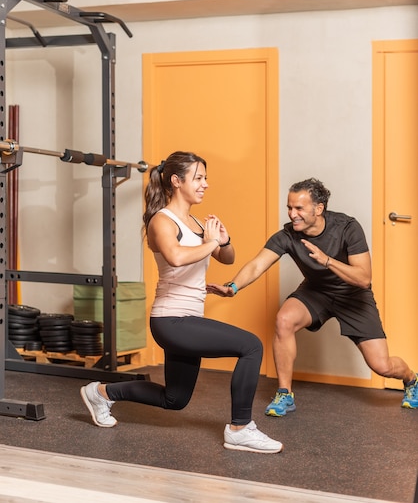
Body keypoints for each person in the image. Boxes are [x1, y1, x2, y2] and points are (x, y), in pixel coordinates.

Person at [80, 151, 282, 453]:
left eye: (205, 178)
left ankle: (100, 393)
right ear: (176, 181)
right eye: (198, 178)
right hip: (171, 321)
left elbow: (227, 259)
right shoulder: (162, 221)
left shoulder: (197, 222)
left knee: (174, 399)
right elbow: (175, 257)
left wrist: (222, 241)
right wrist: (210, 242)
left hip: (185, 319)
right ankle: (240, 428)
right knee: (251, 346)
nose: (205, 184)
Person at [207, 177, 418, 416]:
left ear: (319, 209)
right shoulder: (287, 236)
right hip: (316, 292)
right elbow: (257, 264)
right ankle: (285, 394)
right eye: (289, 207)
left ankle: (412, 379)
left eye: (299, 208)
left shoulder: (348, 227)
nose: (292, 214)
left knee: (382, 365)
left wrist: (327, 260)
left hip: (353, 297)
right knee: (283, 320)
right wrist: (233, 287)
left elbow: (363, 279)